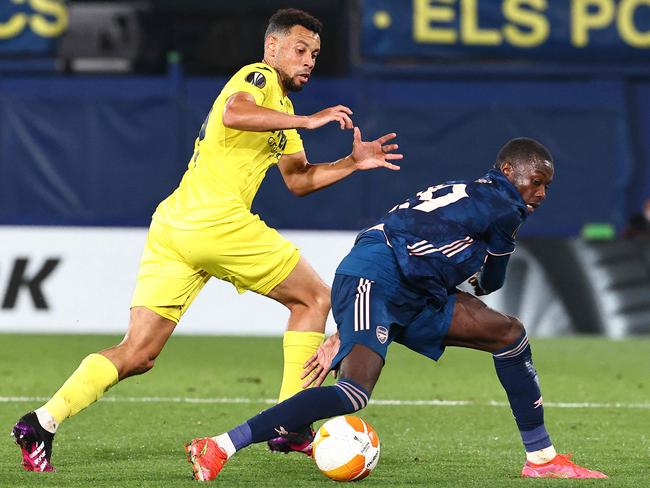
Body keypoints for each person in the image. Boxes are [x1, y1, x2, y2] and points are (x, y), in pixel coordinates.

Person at [11, 8, 403, 472]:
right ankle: (291, 425)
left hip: (175, 225)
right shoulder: (258, 78)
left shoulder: (282, 110)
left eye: (314, 54)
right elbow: (235, 112)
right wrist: (310, 122)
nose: (308, 61)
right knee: (314, 299)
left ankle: (41, 421)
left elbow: (297, 180)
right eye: (299, 50)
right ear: (272, 47)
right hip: (216, 222)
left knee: (138, 353)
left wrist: (350, 163)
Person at [185, 137, 608, 481]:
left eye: (547, 186)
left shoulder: (468, 193)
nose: (540, 194)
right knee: (354, 393)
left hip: (408, 288)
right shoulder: (505, 206)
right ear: (507, 172)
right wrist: (354, 319)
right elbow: (489, 280)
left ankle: (542, 459)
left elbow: (413, 240)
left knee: (508, 335)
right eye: (535, 181)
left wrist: (348, 329)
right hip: (381, 278)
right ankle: (221, 444)